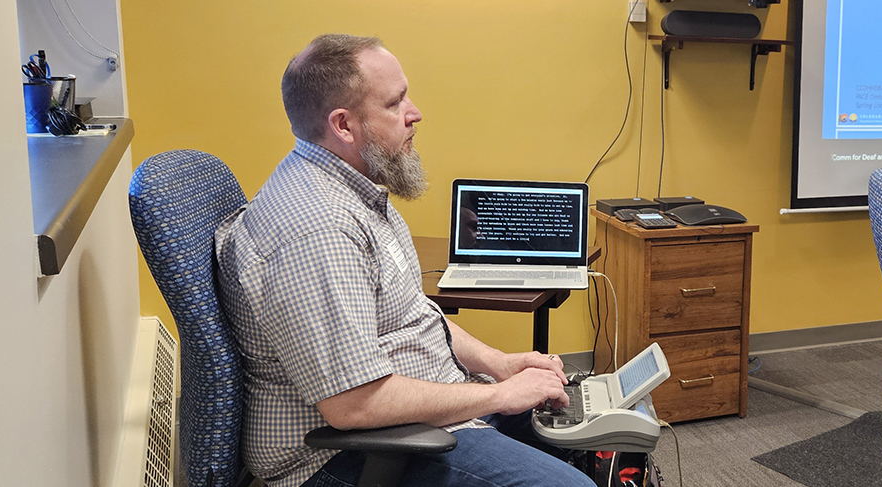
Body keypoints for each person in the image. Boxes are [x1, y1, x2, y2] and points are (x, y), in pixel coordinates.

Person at [213, 34, 596, 487]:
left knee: (590, 432)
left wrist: (500, 364)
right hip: (348, 455)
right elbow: (354, 404)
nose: (415, 113)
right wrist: (500, 394)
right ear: (344, 125)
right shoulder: (318, 231)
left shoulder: (358, 188)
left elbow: (413, 315)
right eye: (395, 103)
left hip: (419, 412)